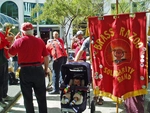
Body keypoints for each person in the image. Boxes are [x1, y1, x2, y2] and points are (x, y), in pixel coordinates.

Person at [8, 22, 49, 113]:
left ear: (22, 32)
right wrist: (46, 69)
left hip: (25, 70)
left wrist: (14, 41)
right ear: (32, 31)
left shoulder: (19, 41)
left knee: (27, 98)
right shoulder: (40, 41)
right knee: (41, 97)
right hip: (38, 69)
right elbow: (46, 57)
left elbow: (10, 53)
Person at [74, 37, 104, 105]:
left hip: (104, 62)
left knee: (102, 80)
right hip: (94, 63)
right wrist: (75, 62)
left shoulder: (102, 34)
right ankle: (96, 96)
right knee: (94, 79)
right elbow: (81, 51)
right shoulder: (88, 40)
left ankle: (101, 97)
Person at [0, 23, 14, 108]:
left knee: (4, 79)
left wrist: (10, 41)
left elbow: (6, 46)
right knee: (1, 80)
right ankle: (1, 98)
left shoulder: (1, 34)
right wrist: (6, 40)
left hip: (3, 59)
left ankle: (4, 95)